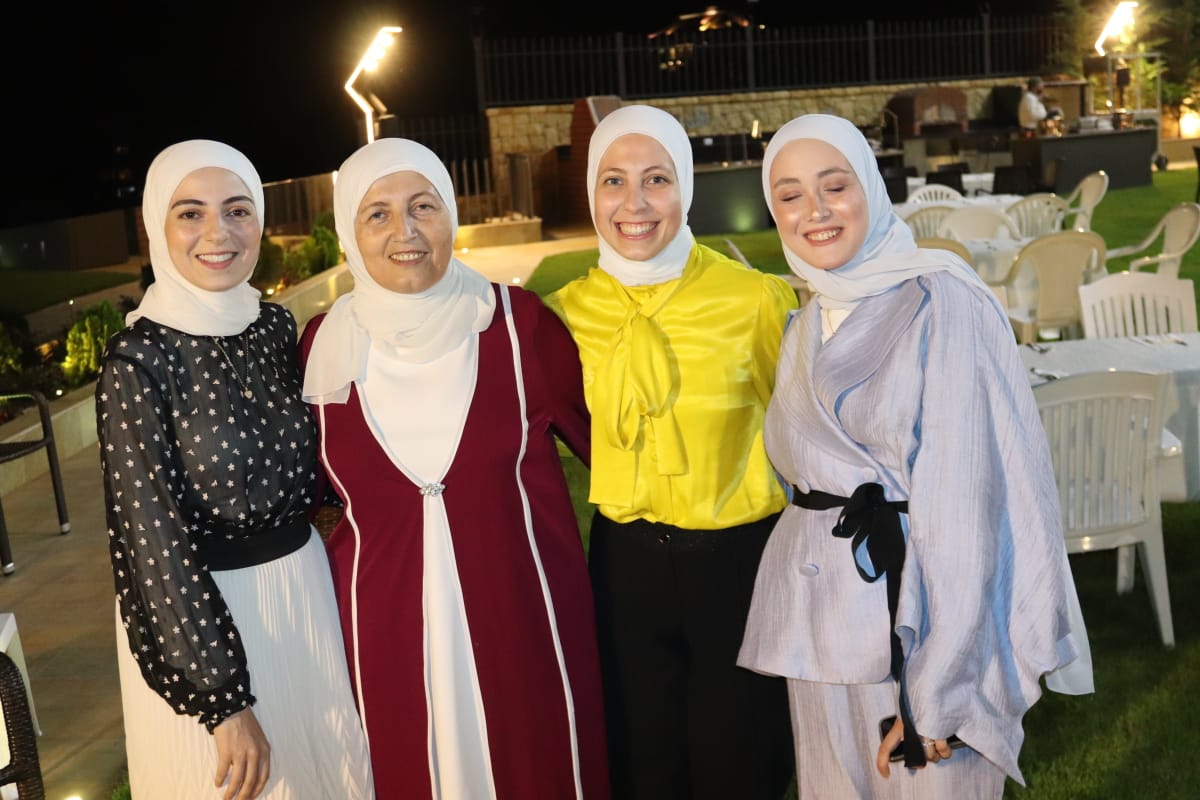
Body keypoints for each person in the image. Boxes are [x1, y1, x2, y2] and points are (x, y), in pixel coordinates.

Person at [736, 113, 1094, 798]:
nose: (815, 211)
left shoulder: (943, 302)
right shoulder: (806, 319)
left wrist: (941, 691)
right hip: (817, 631)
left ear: (871, 188)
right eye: (789, 194)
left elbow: (965, 509)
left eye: (834, 186)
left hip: (919, 622)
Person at [299, 137, 609, 799]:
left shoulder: (520, 326)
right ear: (349, 231)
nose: (405, 231)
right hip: (381, 633)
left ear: (451, 214)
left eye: (423, 206)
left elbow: (614, 456)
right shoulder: (320, 348)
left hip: (522, 623)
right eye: (377, 214)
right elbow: (296, 497)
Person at [96, 139, 374, 799]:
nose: (217, 232)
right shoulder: (138, 360)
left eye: (237, 210)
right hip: (207, 623)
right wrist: (222, 701)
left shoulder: (272, 327)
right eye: (190, 213)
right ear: (156, 226)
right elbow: (150, 544)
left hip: (304, 597)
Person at [544, 104, 798, 800]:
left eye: (656, 179)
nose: (634, 204)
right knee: (642, 763)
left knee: (740, 762)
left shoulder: (754, 300)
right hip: (625, 569)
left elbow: (808, 435)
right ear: (591, 192)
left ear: (684, 186)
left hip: (739, 567)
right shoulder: (562, 315)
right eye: (614, 181)